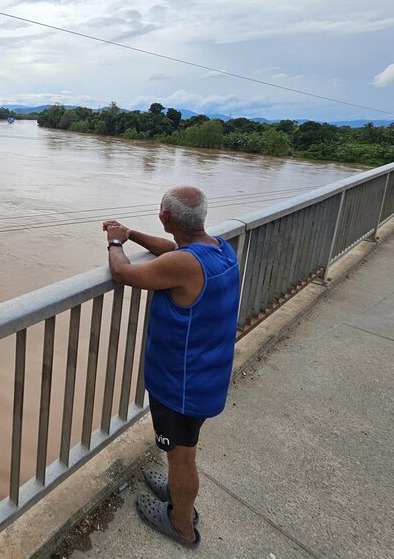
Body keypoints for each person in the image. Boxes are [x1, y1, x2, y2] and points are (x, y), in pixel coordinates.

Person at [102, 186, 240, 549]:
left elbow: (124, 274)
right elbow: (175, 252)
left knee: (181, 456)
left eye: (161, 210)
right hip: (207, 374)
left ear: (166, 217)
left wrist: (115, 244)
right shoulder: (219, 249)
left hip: (181, 383)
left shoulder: (184, 264)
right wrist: (130, 233)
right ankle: (180, 496)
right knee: (184, 449)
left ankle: (181, 523)